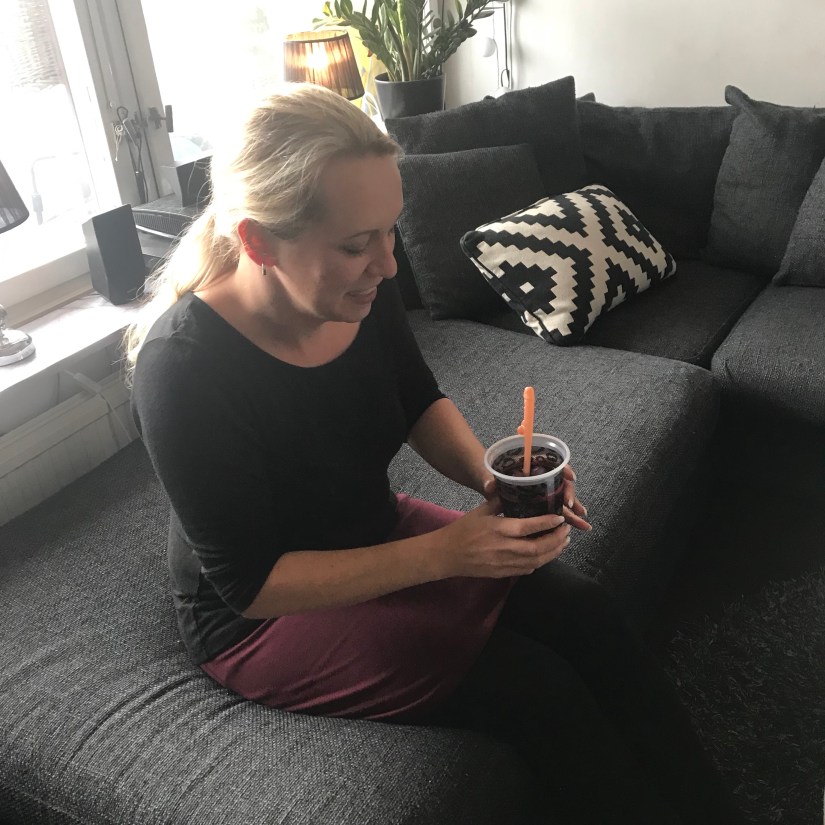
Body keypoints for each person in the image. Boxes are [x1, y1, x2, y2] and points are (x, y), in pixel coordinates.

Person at [127, 84, 744, 825]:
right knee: (536, 691)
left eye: (389, 232)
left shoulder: (361, 287)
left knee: (588, 613)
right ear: (257, 242)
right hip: (263, 616)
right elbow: (250, 584)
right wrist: (447, 552)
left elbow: (417, 398)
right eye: (355, 244)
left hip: (370, 527)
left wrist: (494, 477)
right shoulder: (183, 369)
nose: (387, 265)